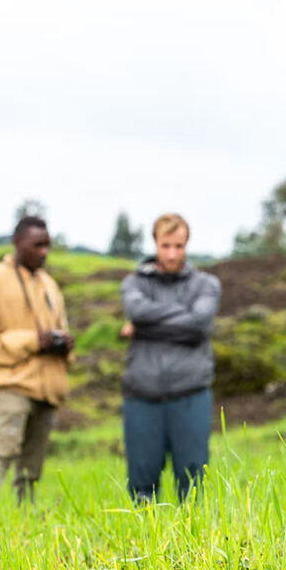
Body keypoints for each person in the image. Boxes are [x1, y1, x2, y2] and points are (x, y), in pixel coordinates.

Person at [119, 213, 221, 503]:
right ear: (155, 243)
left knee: (192, 482)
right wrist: (184, 320)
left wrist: (146, 328)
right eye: (166, 245)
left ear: (187, 244)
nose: (172, 253)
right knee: (141, 482)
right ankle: (141, 543)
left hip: (191, 393)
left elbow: (199, 324)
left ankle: (194, 546)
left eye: (178, 245)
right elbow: (137, 311)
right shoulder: (134, 284)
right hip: (141, 394)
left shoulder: (206, 284)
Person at [0, 216, 73, 502]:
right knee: (1, 452)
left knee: (33, 466)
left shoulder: (50, 284)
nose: (44, 252)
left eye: (47, 245)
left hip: (48, 388)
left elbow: (62, 327)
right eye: (37, 245)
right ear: (17, 243)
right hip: (10, 384)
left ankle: (23, 522)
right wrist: (33, 340)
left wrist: (63, 344)